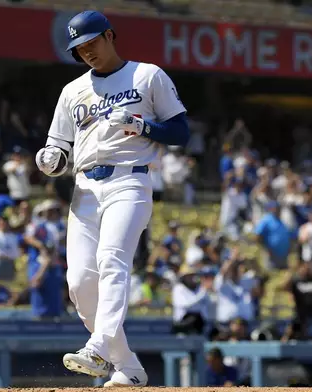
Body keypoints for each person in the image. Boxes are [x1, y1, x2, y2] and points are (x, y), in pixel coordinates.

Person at [35, 10, 189, 387]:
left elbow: (181, 131)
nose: (86, 52)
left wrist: (143, 126)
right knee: (79, 283)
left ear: (110, 35)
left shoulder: (147, 75)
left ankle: (99, 347)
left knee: (111, 260)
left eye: (91, 43)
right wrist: (52, 158)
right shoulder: (72, 91)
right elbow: (59, 145)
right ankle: (129, 367)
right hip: (85, 188)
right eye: (79, 47)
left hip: (130, 181)